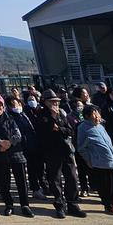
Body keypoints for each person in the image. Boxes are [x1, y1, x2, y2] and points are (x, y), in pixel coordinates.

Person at [36, 90, 85, 218]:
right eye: (52, 102)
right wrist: (53, 118)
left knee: (72, 177)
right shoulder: (41, 115)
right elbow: (43, 132)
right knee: (55, 179)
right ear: (45, 102)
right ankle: (59, 205)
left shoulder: (62, 114)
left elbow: (70, 130)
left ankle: (73, 204)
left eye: (56, 102)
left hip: (66, 150)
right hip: (52, 151)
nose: (55, 104)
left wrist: (59, 128)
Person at [0, 93, 33, 217]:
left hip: (16, 152)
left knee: (21, 181)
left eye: (0, 105)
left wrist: (9, 143)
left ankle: (25, 205)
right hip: (0, 153)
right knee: (3, 181)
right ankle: (9, 204)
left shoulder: (11, 118)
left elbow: (18, 134)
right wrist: (0, 142)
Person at [76, 105, 113, 215]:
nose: (97, 116)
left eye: (98, 114)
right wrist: (89, 160)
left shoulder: (100, 126)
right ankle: (109, 205)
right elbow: (81, 148)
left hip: (112, 160)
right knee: (105, 186)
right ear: (87, 116)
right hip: (100, 162)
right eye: (94, 114)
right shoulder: (83, 127)